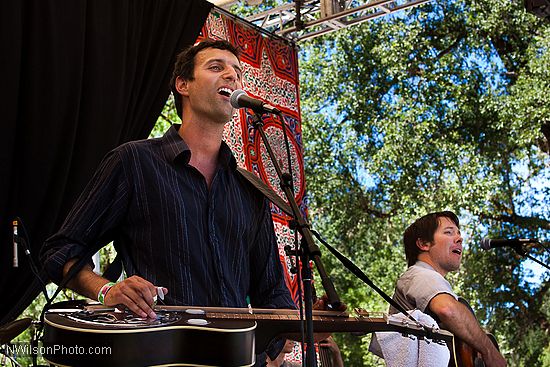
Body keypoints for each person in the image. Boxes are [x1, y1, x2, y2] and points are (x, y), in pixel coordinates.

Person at [40, 39, 295, 363]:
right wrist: (107, 291)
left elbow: (273, 292)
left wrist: (295, 331)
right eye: (216, 67)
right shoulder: (133, 163)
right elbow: (60, 250)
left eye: (237, 72)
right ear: (182, 84)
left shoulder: (249, 190)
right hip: (159, 358)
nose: (232, 76)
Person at [390, 211, 506, 367]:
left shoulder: (428, 279)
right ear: (424, 244)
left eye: (458, 233)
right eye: (449, 232)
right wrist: (490, 352)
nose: (460, 238)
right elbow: (447, 310)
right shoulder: (420, 274)